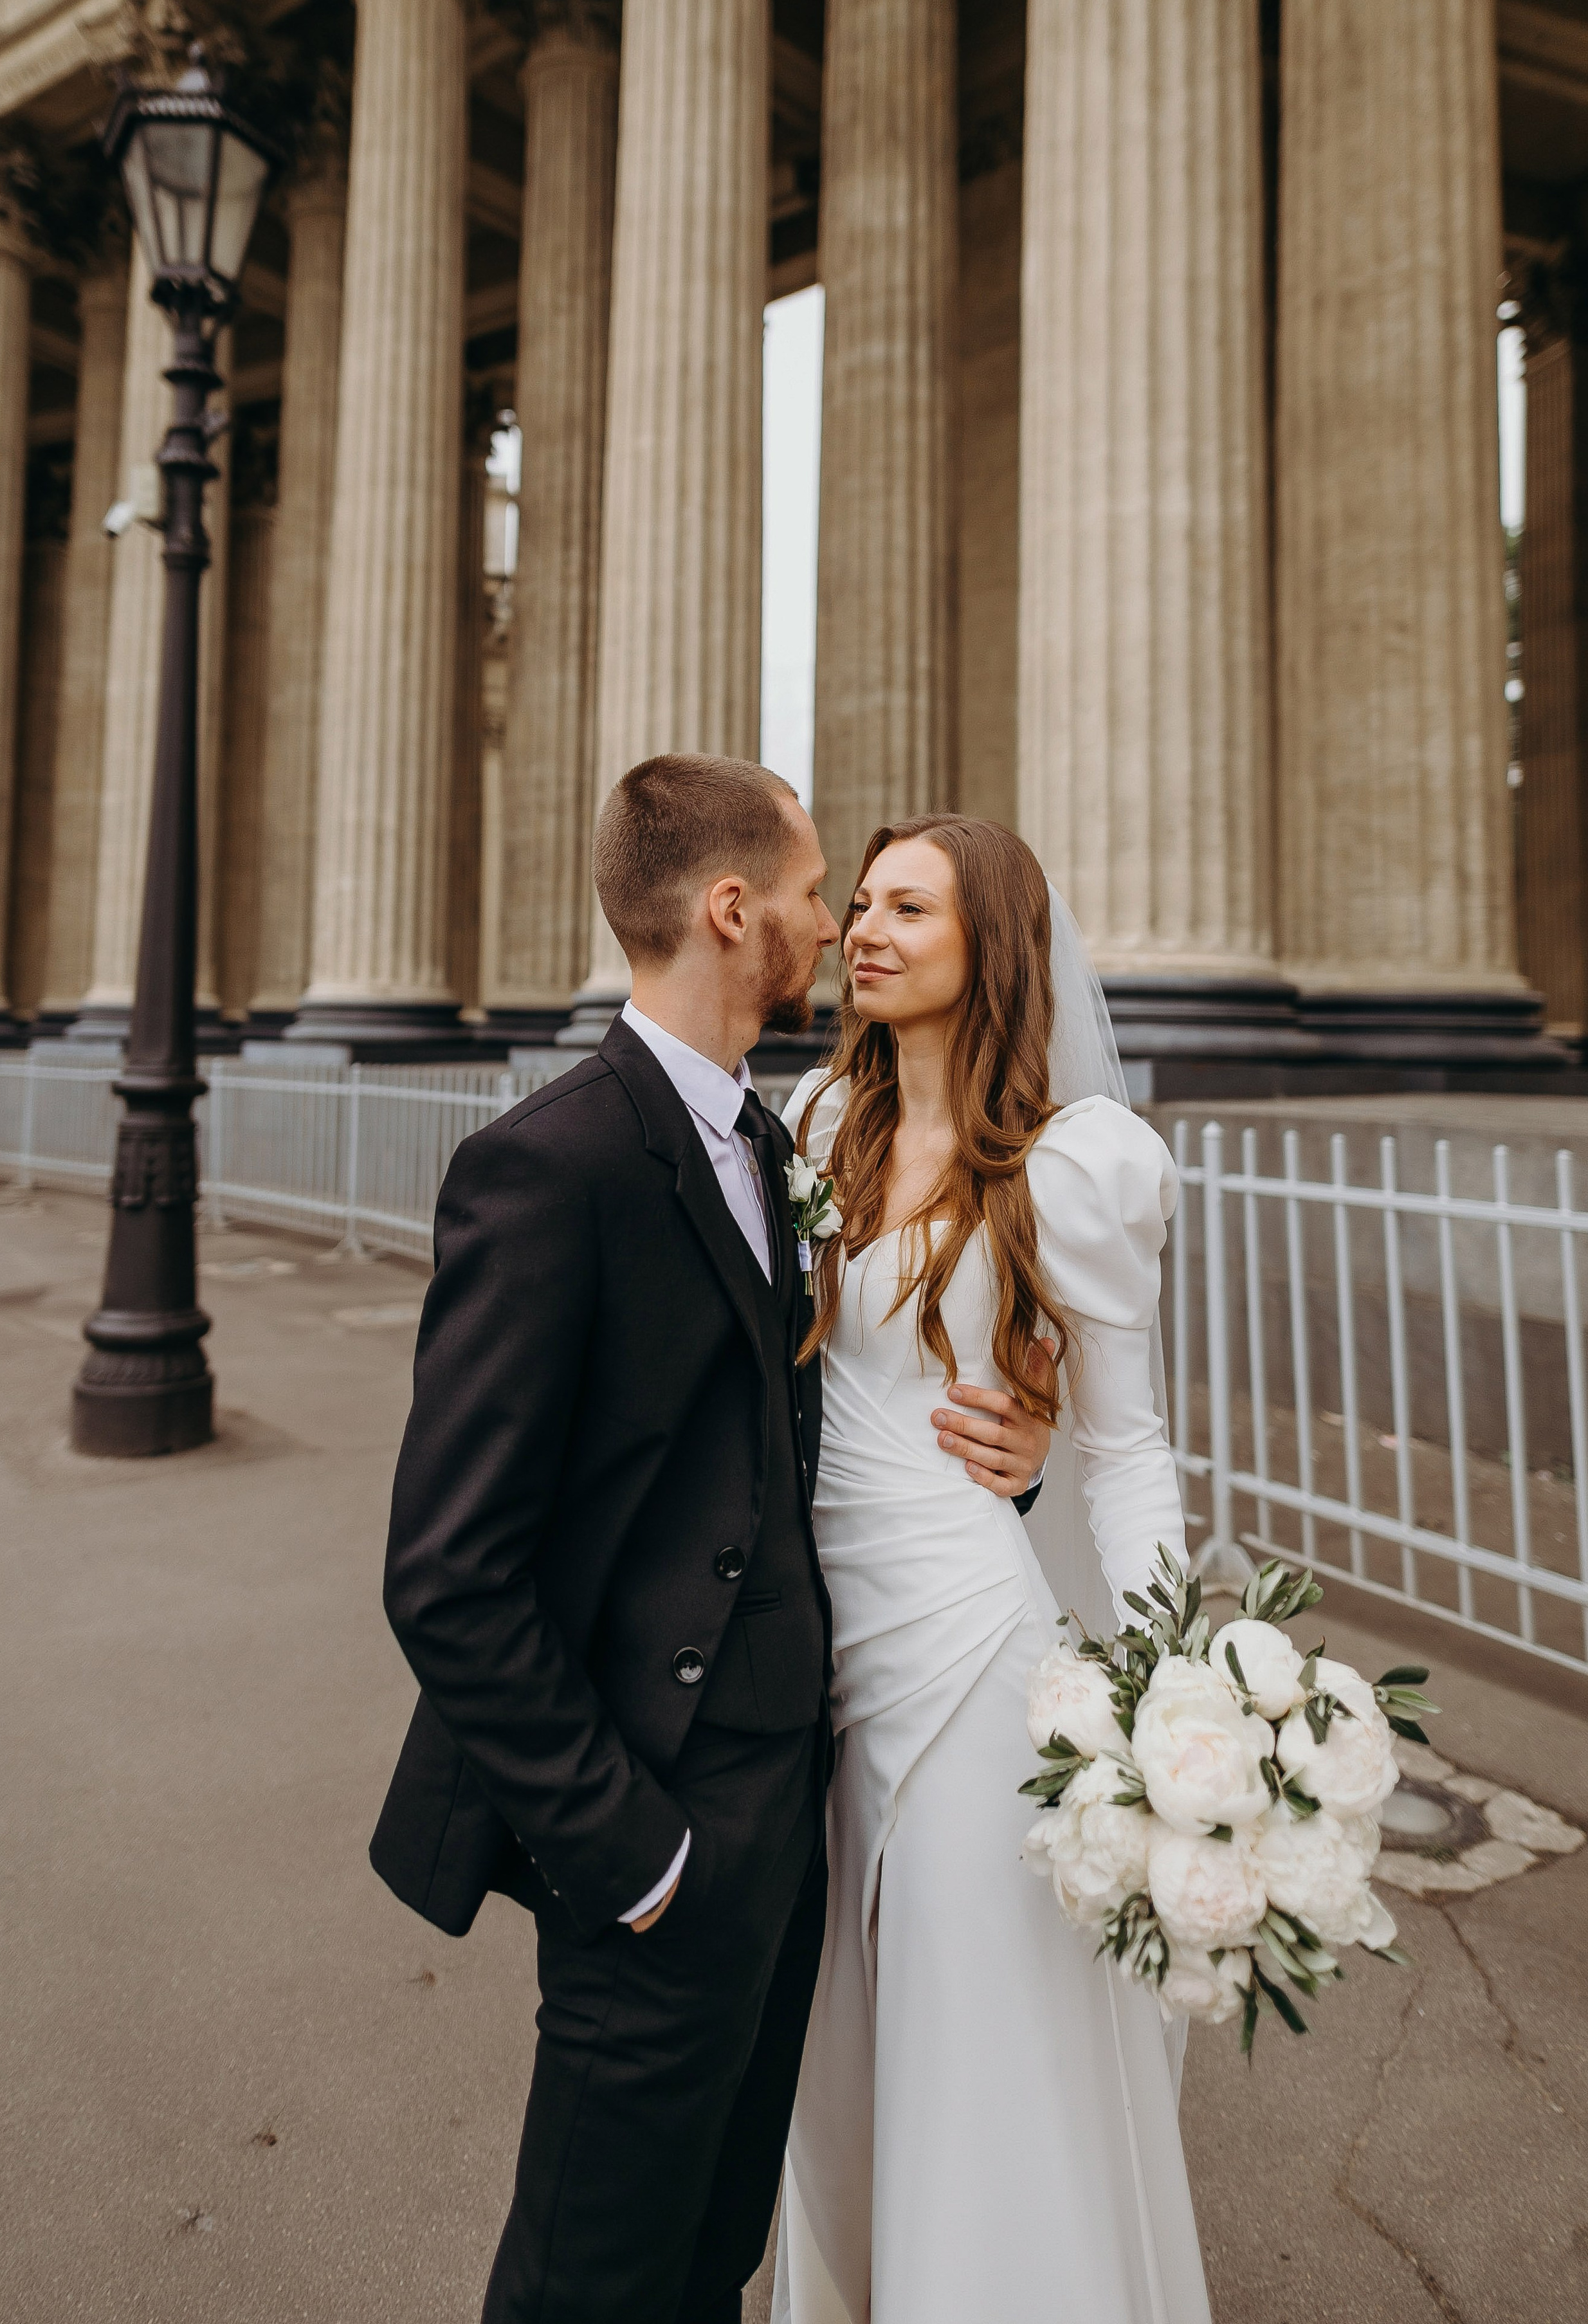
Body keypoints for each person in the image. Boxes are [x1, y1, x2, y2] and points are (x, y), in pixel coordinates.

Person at [367, 756, 1053, 2324]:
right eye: (816, 891)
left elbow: (809, 1446)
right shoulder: (549, 1167)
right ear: (732, 909)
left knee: (709, 2258)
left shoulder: (782, 1149)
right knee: (586, 2283)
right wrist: (634, 1856)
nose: (832, 924)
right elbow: (446, 1575)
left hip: (789, 1815)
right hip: (654, 1839)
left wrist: (1001, 1470)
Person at [772, 814, 1212, 2324]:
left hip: (965, 1643)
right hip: (805, 1647)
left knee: (975, 2024)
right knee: (840, 2028)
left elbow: (1124, 1452)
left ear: (994, 945)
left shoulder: (1076, 1166)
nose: (864, 929)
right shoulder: (820, 1117)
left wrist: (1169, 1692)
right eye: (862, 903)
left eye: (910, 907)